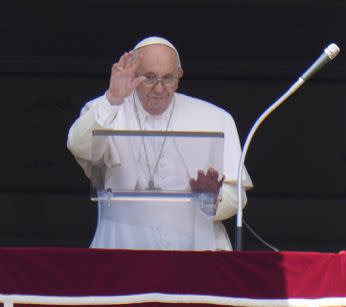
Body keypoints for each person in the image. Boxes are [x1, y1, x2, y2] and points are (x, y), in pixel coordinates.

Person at [67, 36, 252, 250]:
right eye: (149, 77)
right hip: (122, 248)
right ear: (133, 75)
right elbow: (78, 145)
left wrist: (214, 197)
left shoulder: (216, 118)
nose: (159, 88)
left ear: (179, 76)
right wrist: (112, 99)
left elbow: (237, 197)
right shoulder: (106, 110)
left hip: (195, 250)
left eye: (168, 78)